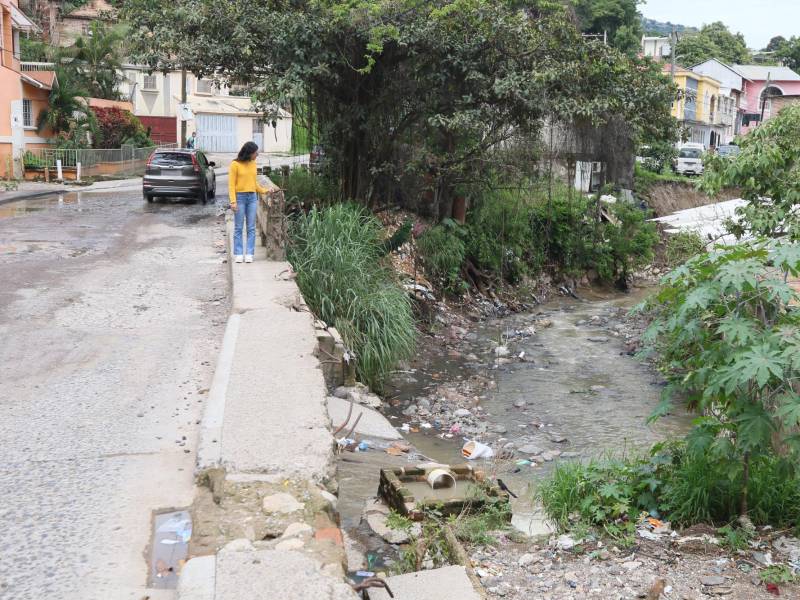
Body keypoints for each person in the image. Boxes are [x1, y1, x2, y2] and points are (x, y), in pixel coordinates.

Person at [229, 141, 267, 263]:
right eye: (256, 152)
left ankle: (249, 253)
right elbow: (231, 185)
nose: (257, 154)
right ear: (249, 153)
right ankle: (239, 253)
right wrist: (233, 201)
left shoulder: (253, 163)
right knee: (238, 227)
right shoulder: (235, 164)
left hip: (252, 197)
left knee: (251, 227)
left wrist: (264, 191)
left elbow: (253, 182)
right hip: (239, 197)